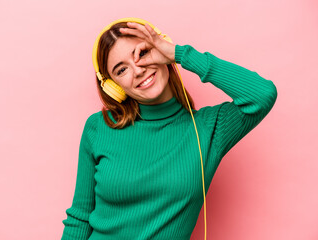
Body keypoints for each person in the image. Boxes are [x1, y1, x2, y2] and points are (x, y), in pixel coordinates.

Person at [61, 18, 278, 240]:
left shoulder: (208, 128)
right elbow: (80, 217)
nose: (138, 70)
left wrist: (180, 54)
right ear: (114, 86)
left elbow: (262, 95)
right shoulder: (99, 127)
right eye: (122, 69)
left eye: (142, 54)